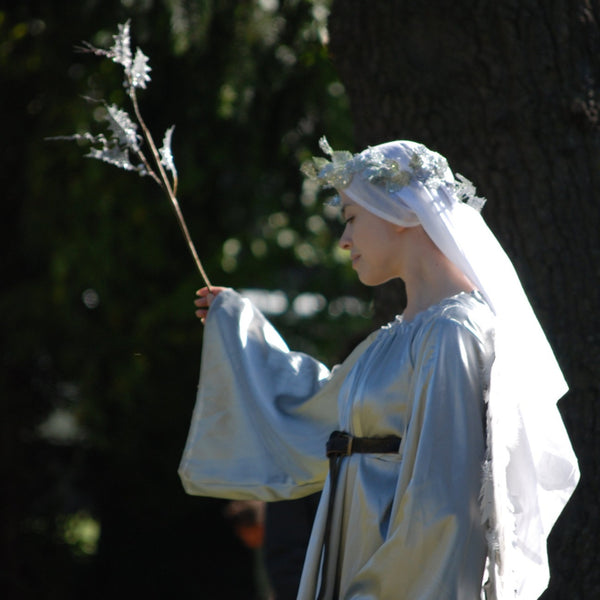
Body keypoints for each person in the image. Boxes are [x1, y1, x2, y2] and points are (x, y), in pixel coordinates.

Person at [179, 138, 579, 599]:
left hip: (396, 579)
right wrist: (239, 331)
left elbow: (442, 505)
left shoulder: (453, 334)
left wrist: (372, 592)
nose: (344, 239)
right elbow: (320, 413)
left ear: (402, 213)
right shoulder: (395, 336)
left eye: (351, 218)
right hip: (358, 558)